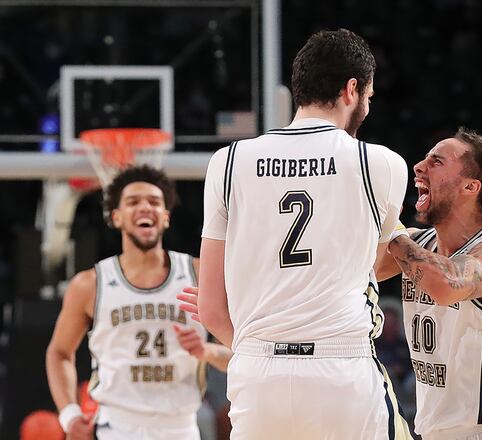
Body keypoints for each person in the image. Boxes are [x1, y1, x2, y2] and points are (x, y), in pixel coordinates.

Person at [198, 28, 411, 439]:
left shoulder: (227, 163)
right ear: (352, 89)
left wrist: (259, 350)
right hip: (341, 369)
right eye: (368, 95)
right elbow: (376, 264)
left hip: (257, 374)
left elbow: (210, 308)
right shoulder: (380, 164)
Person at [45, 166, 231, 440]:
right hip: (115, 427)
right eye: (133, 202)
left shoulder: (200, 275)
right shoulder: (90, 285)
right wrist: (69, 415)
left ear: (165, 217)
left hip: (180, 426)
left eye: (154, 202)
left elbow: (242, 353)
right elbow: (59, 353)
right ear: (116, 217)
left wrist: (208, 352)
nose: (145, 207)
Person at [377, 128, 482, 439]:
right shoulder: (416, 243)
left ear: (470, 186)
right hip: (432, 432)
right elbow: (357, 269)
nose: (419, 167)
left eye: (436, 161)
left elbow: (446, 284)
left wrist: (391, 228)